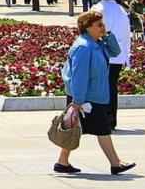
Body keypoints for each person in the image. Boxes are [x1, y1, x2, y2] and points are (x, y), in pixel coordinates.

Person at [55, 10, 135, 176]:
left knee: (75, 128)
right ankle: (115, 163)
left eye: (102, 24)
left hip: (93, 94)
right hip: (86, 97)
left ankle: (62, 162)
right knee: (102, 129)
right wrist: (78, 100)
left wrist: (107, 36)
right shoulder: (84, 47)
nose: (102, 27)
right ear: (87, 27)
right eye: (99, 25)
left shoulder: (97, 43)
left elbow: (115, 52)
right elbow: (79, 75)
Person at [92, 0, 132, 130]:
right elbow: (126, 35)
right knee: (111, 85)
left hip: (99, 52)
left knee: (98, 85)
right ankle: (111, 119)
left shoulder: (96, 9)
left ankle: (100, 118)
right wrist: (127, 56)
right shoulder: (122, 11)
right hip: (118, 54)